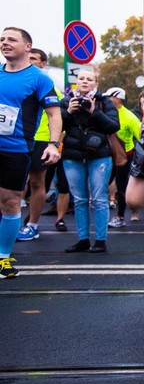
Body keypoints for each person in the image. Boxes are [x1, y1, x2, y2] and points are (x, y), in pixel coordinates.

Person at [0, 28, 61, 278]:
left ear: (27, 47)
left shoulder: (39, 79)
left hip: (15, 150)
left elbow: (54, 114)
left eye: (11, 39)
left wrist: (53, 144)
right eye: (2, 40)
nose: (5, 43)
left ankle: (3, 258)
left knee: (11, 202)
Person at [61, 69, 120, 254]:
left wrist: (94, 111)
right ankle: (83, 239)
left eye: (89, 79)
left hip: (99, 155)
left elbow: (113, 125)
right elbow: (55, 125)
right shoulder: (66, 100)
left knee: (100, 198)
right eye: (81, 78)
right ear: (76, 82)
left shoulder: (104, 101)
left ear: (96, 83)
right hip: (73, 155)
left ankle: (100, 240)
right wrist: (68, 112)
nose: (85, 82)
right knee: (79, 199)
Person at [16, 48, 65, 241]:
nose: (31, 61)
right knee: (14, 184)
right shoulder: (15, 82)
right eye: (29, 58)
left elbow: (59, 118)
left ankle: (32, 224)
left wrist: (56, 144)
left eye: (35, 59)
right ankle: (11, 221)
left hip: (41, 141)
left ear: (44, 63)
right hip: (18, 139)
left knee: (37, 182)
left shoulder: (49, 86)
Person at [105, 87, 142, 227]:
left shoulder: (129, 117)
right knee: (102, 184)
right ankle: (103, 215)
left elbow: (141, 137)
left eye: (109, 97)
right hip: (106, 153)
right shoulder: (106, 112)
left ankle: (120, 217)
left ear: (117, 99)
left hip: (124, 156)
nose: (107, 100)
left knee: (121, 186)